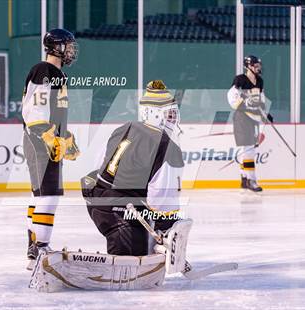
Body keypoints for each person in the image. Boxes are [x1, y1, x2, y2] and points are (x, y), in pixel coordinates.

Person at [82, 80, 186, 257]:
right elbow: (162, 199)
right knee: (131, 260)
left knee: (137, 242)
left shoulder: (124, 128)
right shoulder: (165, 145)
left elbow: (97, 167)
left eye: (174, 115)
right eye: (169, 115)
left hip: (96, 200)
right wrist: (166, 230)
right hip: (123, 211)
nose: (173, 120)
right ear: (153, 113)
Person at [22, 28, 80, 269]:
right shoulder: (46, 70)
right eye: (68, 46)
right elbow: (34, 110)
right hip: (40, 140)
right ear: (57, 47)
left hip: (40, 139)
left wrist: (66, 136)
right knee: (50, 195)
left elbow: (50, 111)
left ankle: (34, 248)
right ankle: (41, 249)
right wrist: (48, 136)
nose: (71, 51)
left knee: (41, 195)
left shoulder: (53, 73)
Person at [227, 55, 273, 192]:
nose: (259, 68)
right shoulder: (240, 79)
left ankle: (244, 179)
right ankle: (252, 180)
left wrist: (266, 113)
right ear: (249, 66)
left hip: (254, 119)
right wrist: (243, 105)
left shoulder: (260, 81)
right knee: (249, 150)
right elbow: (231, 95)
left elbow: (261, 99)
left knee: (246, 150)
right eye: (256, 65)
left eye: (259, 65)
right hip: (242, 119)